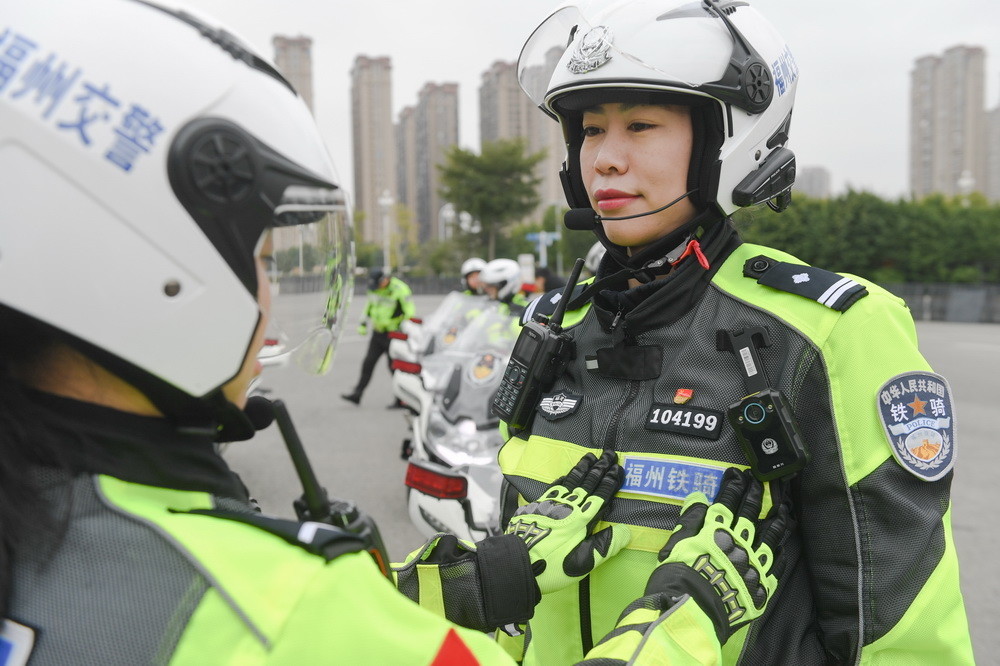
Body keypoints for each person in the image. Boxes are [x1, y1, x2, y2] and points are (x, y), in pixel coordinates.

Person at [0, 2, 796, 663]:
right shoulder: (288, 609)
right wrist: (684, 619)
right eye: (264, 260)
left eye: (642, 127)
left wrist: (483, 577)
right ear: (144, 265)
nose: (269, 297)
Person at [500, 0, 974, 664]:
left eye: (639, 125)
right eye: (587, 129)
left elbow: (898, 629)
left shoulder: (827, 332)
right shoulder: (554, 326)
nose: (603, 159)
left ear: (727, 140)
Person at [340, 267, 415, 407]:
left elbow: (409, 311)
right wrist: (363, 323)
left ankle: (401, 399)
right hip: (378, 333)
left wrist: (404, 328)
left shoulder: (400, 289)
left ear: (385, 279)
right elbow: (369, 305)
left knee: (394, 368)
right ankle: (357, 394)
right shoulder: (374, 287)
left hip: (394, 334)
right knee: (368, 363)